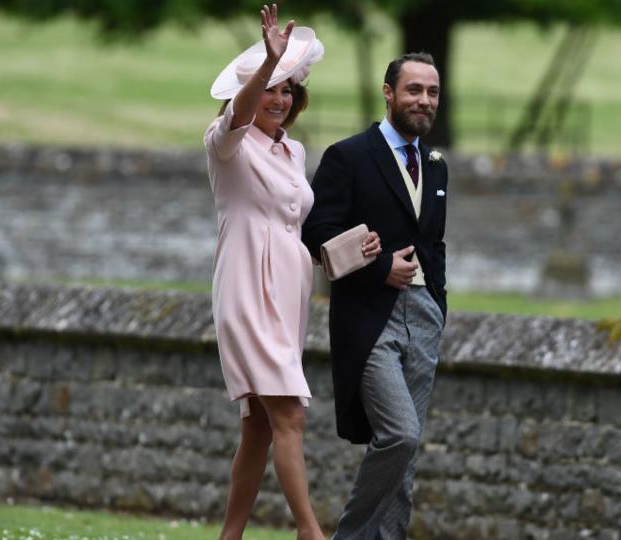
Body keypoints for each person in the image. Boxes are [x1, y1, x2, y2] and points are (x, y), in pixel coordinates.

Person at [205, 5, 379, 540]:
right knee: (290, 417)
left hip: (288, 295)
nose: (278, 99)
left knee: (259, 428)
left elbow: (298, 228)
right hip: (245, 290)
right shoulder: (225, 143)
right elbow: (235, 115)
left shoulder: (293, 150)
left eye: (286, 90)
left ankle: (229, 537)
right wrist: (266, 65)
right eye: (269, 90)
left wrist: (352, 250)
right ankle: (311, 532)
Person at [301, 52, 448, 539]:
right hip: (369, 318)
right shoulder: (348, 156)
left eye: (431, 92)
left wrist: (438, 304)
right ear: (388, 93)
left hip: (424, 316)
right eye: (413, 90)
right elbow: (316, 232)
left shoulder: (436, 164)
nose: (423, 100)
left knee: (406, 454)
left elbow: (434, 243)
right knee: (399, 434)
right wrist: (380, 267)